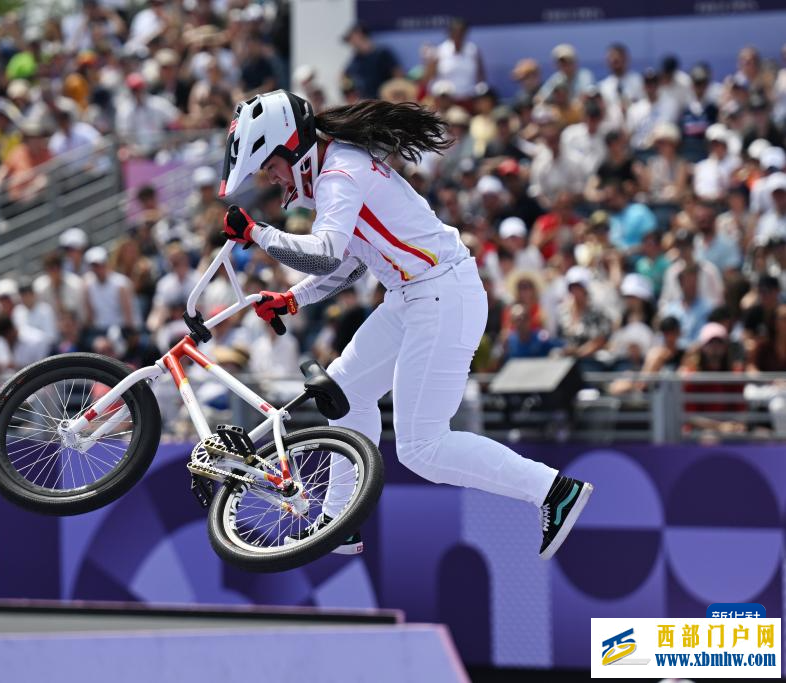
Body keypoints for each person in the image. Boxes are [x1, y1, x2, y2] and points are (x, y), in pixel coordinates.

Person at [217, 89, 593, 559]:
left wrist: (257, 233)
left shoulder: (338, 175)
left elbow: (327, 253)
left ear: (288, 145)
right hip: (417, 295)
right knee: (344, 394)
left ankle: (553, 491)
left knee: (422, 448)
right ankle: (340, 522)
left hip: (441, 295)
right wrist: (293, 299)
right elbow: (352, 263)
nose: (271, 180)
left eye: (269, 167)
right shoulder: (337, 166)